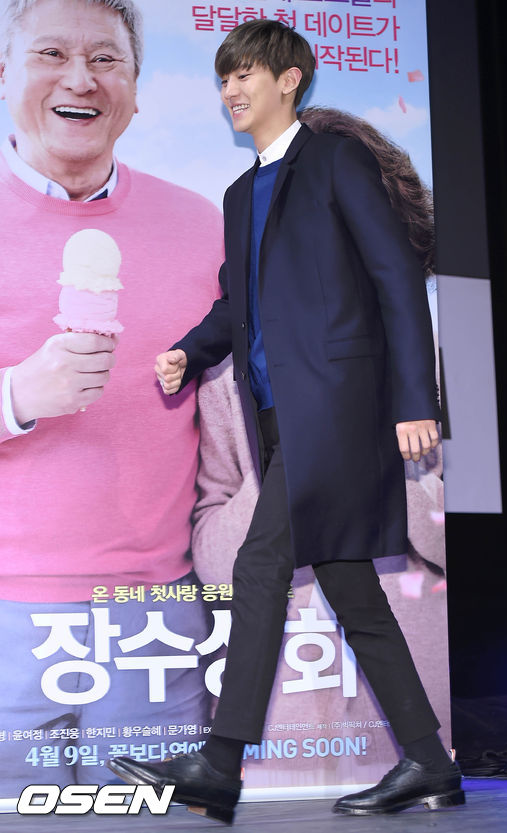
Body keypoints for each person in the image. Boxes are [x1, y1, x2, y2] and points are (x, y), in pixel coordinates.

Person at [108, 20, 464, 824]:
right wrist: (190, 350)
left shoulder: (336, 160)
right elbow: (236, 303)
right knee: (352, 591)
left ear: (290, 79)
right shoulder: (241, 195)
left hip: (339, 410)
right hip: (277, 418)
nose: (231, 90)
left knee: (263, 562)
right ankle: (432, 763)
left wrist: (417, 399)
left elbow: (396, 277)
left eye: (245, 74)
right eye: (223, 78)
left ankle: (219, 762)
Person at [0, 0, 225, 795]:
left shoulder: (202, 226)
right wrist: (16, 393)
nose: (80, 78)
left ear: (134, 89)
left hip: (154, 618)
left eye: (106, 60)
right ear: (3, 72)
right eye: (51, 54)